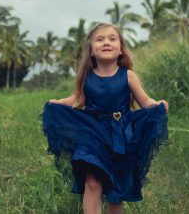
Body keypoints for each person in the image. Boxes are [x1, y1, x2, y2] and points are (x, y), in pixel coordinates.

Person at [41, 23, 169, 214]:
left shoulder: (128, 76)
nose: (106, 42)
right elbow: (76, 99)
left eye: (112, 38)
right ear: (91, 51)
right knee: (92, 181)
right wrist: (59, 103)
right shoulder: (87, 77)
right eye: (100, 39)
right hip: (92, 132)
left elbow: (145, 101)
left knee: (115, 189)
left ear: (120, 49)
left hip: (120, 136)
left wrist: (157, 105)